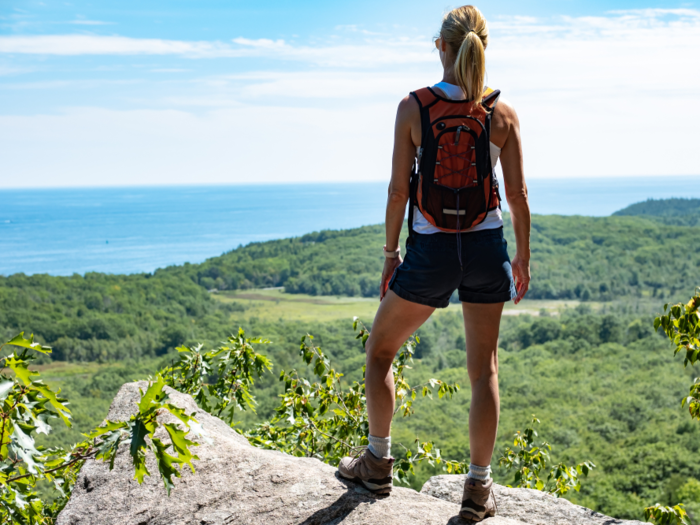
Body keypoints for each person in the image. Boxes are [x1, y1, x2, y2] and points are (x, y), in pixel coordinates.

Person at [337, 4, 531, 522]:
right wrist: (523, 259)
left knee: (380, 351)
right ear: (483, 48)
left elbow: (399, 190)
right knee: (483, 370)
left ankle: (377, 463)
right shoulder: (502, 113)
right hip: (488, 249)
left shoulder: (413, 107)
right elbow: (517, 196)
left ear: (440, 47)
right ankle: (478, 491)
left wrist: (390, 254)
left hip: (432, 251)